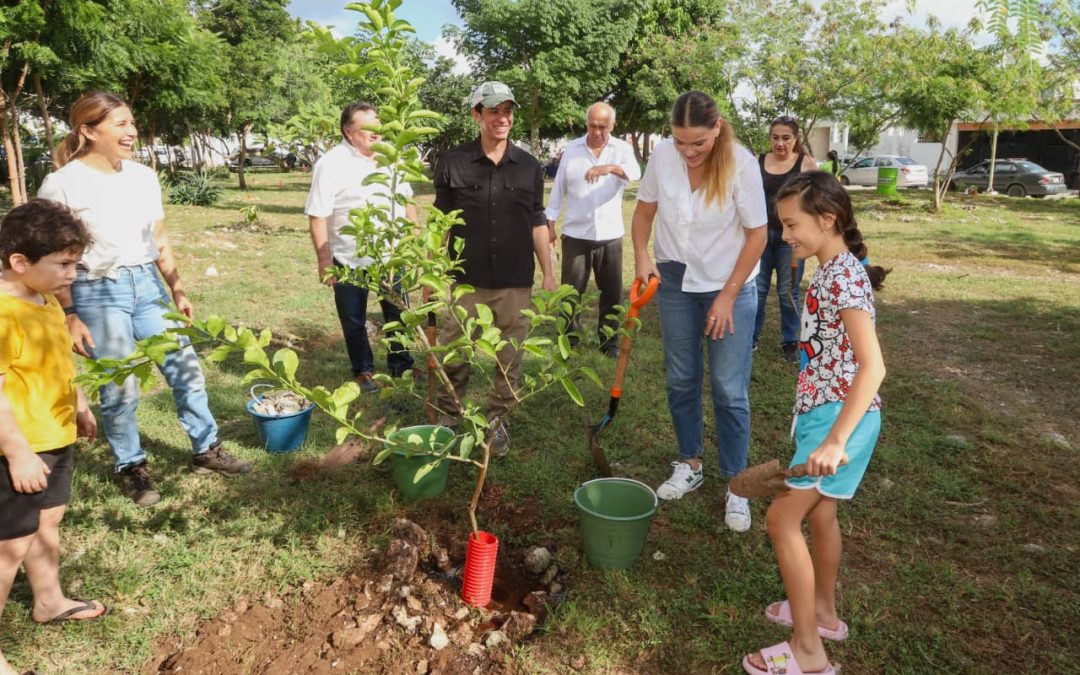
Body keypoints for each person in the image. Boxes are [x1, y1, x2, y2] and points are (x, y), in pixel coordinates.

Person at [38, 92, 251, 508]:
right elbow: (55, 254)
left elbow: (158, 240)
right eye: (120, 124)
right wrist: (70, 313)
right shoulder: (62, 184)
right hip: (96, 290)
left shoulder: (142, 177)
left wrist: (178, 288)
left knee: (185, 368)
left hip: (147, 287)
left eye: (132, 123)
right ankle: (131, 466)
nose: (131, 131)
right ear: (88, 130)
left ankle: (207, 449)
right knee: (121, 386)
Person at [742, 172, 888, 675]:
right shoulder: (831, 268)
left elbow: (874, 366)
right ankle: (823, 614)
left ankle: (808, 652)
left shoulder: (845, 278)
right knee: (821, 515)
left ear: (827, 220)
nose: (785, 237)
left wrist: (834, 440)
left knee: (782, 519)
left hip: (839, 420)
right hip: (823, 414)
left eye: (791, 225)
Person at [631, 91, 767, 532]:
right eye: (679, 142)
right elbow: (644, 211)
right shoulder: (663, 159)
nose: (688, 152)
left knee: (729, 388)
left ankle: (737, 484)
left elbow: (758, 235)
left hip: (730, 283)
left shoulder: (741, 164)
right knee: (681, 377)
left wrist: (727, 296)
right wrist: (641, 256)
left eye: (698, 143)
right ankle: (689, 462)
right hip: (674, 280)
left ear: (717, 128)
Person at [0, 200, 107, 675]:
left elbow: (58, 362)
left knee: (48, 522)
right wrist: (18, 451)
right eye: (63, 264)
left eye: (76, 264)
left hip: (54, 434)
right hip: (19, 447)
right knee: (10, 544)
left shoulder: (41, 300)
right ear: (20, 263)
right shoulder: (4, 315)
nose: (72, 275)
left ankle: (49, 601)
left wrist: (79, 404)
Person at [432, 81, 555, 457]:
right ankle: (449, 417)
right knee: (455, 350)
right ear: (477, 115)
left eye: (507, 111)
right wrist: (433, 272)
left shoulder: (529, 166)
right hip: (466, 279)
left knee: (510, 356)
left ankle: (498, 422)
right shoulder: (453, 163)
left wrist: (548, 272)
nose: (502, 118)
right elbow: (441, 221)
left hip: (516, 280)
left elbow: (537, 220)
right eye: (493, 111)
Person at [305, 101, 418, 394]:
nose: (376, 132)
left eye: (378, 126)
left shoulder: (391, 157)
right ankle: (363, 371)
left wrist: (413, 238)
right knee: (354, 318)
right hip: (348, 256)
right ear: (348, 131)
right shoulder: (330, 164)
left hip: (392, 255)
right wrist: (324, 260)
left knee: (398, 313)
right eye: (368, 127)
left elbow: (407, 201)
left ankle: (402, 364)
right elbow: (318, 214)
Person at [545, 102, 641, 357]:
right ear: (586, 124)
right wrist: (551, 223)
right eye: (592, 125)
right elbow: (559, 188)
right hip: (576, 234)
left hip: (610, 235)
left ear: (612, 126)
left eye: (602, 126)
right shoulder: (573, 149)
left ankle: (608, 342)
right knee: (571, 292)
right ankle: (569, 340)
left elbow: (635, 172)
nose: (596, 131)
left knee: (611, 292)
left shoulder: (621, 149)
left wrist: (609, 168)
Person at [752, 116, 817, 363]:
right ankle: (751, 338)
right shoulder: (757, 161)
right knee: (756, 290)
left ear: (795, 139)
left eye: (786, 138)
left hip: (789, 240)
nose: (780, 143)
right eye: (775, 137)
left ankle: (790, 341)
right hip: (759, 237)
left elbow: (821, 196)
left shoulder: (804, 163)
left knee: (787, 291)